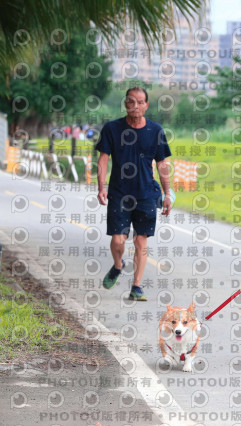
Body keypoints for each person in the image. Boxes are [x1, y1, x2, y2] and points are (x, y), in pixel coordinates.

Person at [96, 87, 172, 301]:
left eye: (140, 102)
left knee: (141, 241)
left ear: (146, 105)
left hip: (146, 194)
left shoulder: (155, 130)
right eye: (131, 101)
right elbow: (103, 159)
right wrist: (101, 187)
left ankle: (136, 286)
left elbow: (162, 164)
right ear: (125, 104)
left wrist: (167, 194)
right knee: (118, 240)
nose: (135, 106)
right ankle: (117, 265)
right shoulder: (112, 128)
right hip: (119, 193)